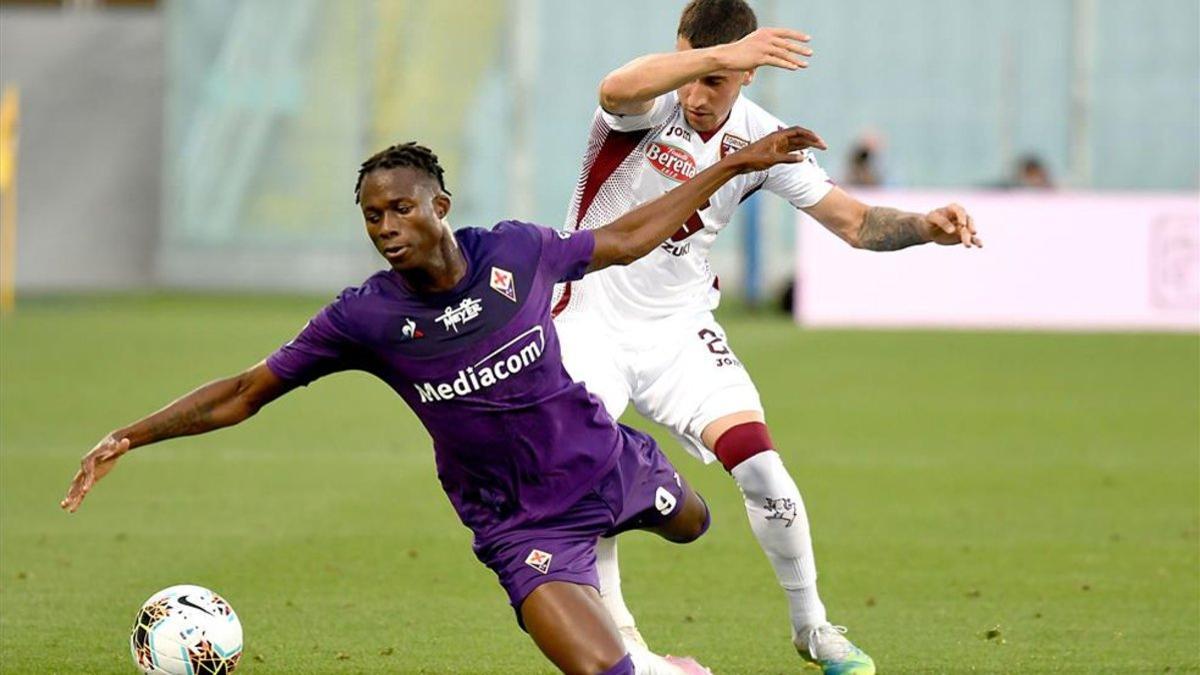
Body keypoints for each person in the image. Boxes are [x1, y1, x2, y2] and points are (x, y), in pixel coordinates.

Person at [60, 129, 823, 674]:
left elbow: (627, 235)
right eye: (372, 216)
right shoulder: (363, 317)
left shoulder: (516, 252)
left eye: (400, 208)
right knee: (602, 670)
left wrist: (736, 166)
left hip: (606, 461)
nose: (387, 228)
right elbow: (245, 390)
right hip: (519, 520)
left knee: (695, 524)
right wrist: (132, 434)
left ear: (440, 204)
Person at [552, 1, 982, 672]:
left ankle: (813, 628)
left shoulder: (761, 138)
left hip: (677, 328)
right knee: (583, 471)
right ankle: (628, 648)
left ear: (748, 77)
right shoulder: (648, 101)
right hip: (588, 318)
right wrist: (713, 58)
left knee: (763, 468)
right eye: (694, 68)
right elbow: (614, 88)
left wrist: (927, 226)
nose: (696, 93)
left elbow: (855, 223)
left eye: (717, 80)